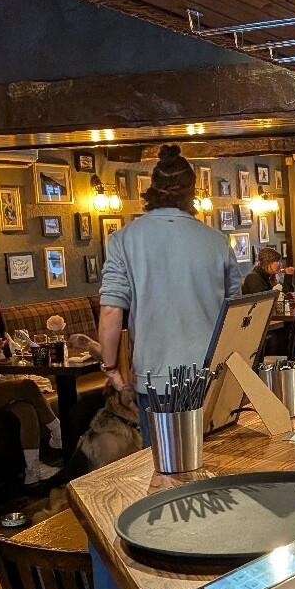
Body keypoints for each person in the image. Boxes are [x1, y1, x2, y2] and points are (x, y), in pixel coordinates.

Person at [98, 144, 241, 447]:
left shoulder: (123, 240)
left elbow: (111, 310)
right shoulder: (217, 241)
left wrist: (111, 369)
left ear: (153, 189)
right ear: (192, 191)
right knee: (219, 460)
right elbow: (237, 312)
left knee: (164, 465)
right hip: (211, 375)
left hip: (156, 377)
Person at [0, 288, 62, 485]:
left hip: (5, 388)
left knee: (27, 411)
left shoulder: (1, 334)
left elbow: (17, 355)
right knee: (28, 385)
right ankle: (58, 432)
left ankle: (32, 471)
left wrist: (30, 351)